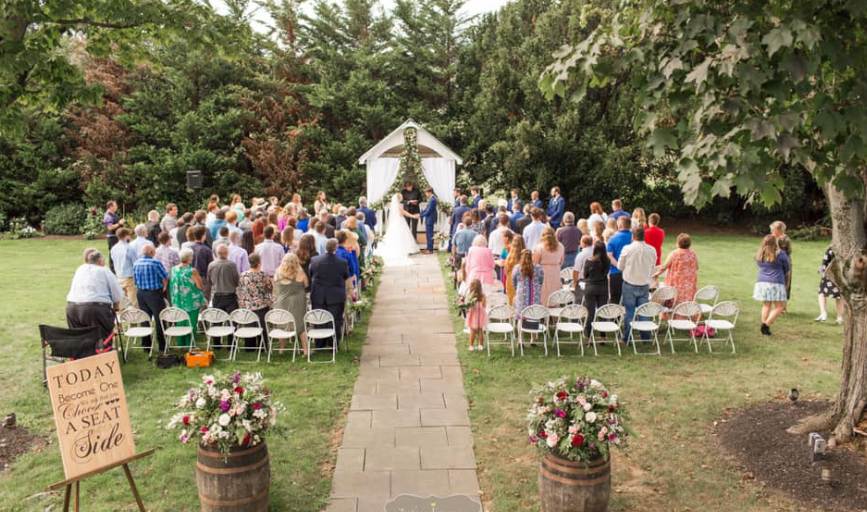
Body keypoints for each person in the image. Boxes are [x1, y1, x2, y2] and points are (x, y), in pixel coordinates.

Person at [66, 249, 123, 340]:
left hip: (72, 308)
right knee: (101, 340)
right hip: (94, 309)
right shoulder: (104, 270)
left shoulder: (80, 269)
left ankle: (85, 353)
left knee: (79, 339)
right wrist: (116, 308)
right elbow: (117, 294)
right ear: (100, 261)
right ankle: (102, 353)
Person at [617, 227, 657, 341]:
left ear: (633, 236)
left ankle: (627, 338)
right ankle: (645, 337)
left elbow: (620, 266)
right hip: (644, 283)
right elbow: (653, 266)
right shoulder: (652, 249)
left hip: (630, 283)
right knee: (643, 311)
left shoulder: (627, 248)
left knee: (629, 312)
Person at [310, 239, 351, 344]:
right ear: (336, 248)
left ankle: (320, 343)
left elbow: (311, 274)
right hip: (335, 296)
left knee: (319, 319)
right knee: (335, 320)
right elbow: (346, 277)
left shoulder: (315, 260)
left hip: (319, 295)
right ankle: (333, 343)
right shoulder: (342, 262)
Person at [133, 245, 168, 353]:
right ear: (152, 252)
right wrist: (164, 288)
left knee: (145, 319)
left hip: (141, 293)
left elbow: (135, 280)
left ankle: (146, 345)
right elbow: (165, 276)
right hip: (154, 294)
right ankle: (162, 345)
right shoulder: (155, 263)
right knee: (160, 319)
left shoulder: (136, 263)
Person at [754, 234, 791, 336]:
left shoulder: (759, 254)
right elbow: (787, 269)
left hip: (761, 282)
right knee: (780, 306)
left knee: (766, 305)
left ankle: (764, 326)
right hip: (776, 282)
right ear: (775, 243)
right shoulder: (781, 254)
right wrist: (786, 283)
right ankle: (766, 324)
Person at [273, 253, 309, 355]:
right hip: (297, 302)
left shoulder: (277, 272)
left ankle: (281, 349)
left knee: (282, 323)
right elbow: (306, 284)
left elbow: (275, 287)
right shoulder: (300, 273)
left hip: (281, 301)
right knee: (300, 325)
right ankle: (306, 351)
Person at [170, 248, 206, 347]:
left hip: (178, 300)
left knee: (180, 321)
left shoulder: (174, 269)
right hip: (191, 301)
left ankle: (181, 343)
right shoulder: (192, 271)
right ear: (189, 258)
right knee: (191, 322)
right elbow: (199, 286)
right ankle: (190, 344)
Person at [654, 233, 698, 307]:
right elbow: (696, 267)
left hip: (676, 283)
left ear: (678, 243)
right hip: (688, 284)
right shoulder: (693, 254)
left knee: (673, 296)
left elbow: (664, 267)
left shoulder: (674, 253)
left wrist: (656, 274)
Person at [237, 253, 273, 345]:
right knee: (262, 326)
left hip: (248, 305)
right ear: (259, 262)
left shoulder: (243, 275)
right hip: (261, 305)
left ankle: (250, 345)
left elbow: (240, 289)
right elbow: (269, 288)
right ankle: (263, 344)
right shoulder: (262, 274)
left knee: (249, 325)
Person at [377, 193, 420, 266]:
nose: (402, 197)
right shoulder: (398, 205)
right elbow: (403, 213)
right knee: (401, 235)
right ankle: (402, 249)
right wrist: (413, 216)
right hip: (400, 221)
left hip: (395, 222)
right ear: (399, 198)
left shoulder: (393, 205)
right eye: (401, 197)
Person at [582, 241, 611, 336]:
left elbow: (585, 275)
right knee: (602, 311)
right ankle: (603, 335)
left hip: (590, 287)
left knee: (590, 312)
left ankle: (588, 333)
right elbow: (606, 273)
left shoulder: (589, 261)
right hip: (603, 288)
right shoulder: (607, 261)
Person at [533, 227, 565, 306]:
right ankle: (554, 310)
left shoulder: (539, 247)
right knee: (554, 290)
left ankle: (544, 310)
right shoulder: (561, 246)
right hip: (556, 271)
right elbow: (562, 261)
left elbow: (535, 263)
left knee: (544, 292)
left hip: (543, 271)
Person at [606, 216, 632, 304]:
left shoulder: (612, 239)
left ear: (619, 225)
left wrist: (619, 266)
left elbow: (609, 256)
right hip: (631, 271)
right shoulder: (634, 237)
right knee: (629, 299)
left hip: (616, 272)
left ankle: (614, 317)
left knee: (614, 299)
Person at [208, 244, 240, 313]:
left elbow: (209, 281)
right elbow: (237, 281)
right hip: (230, 297)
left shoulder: (211, 265)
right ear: (227, 253)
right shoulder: (232, 265)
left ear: (216, 253)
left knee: (218, 320)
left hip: (217, 296)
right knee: (232, 320)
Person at [110, 228, 138, 306]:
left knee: (122, 302)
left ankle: (123, 317)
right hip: (129, 277)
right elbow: (135, 263)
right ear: (126, 236)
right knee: (134, 301)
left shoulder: (114, 248)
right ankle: (135, 317)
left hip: (119, 276)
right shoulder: (129, 248)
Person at [816, 246, 844, 324]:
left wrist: (820, 270)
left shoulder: (831, 249)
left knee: (821, 293)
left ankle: (823, 313)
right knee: (839, 296)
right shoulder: (844, 248)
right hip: (840, 277)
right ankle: (839, 317)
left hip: (829, 276)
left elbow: (825, 262)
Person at [513, 249, 544, 317]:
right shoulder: (538, 268)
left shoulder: (517, 268)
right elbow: (541, 281)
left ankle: (520, 325)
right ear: (532, 256)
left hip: (521, 292)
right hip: (535, 293)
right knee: (534, 311)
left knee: (521, 311)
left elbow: (514, 281)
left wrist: (517, 289)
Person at [771, 220, 792, 307]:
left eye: (773, 229)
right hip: (773, 263)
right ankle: (775, 304)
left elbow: (788, 252)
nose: (771, 231)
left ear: (779, 230)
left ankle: (783, 306)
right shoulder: (771, 238)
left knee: (785, 283)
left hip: (784, 264)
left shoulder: (785, 239)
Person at [465, 278, 487, 352]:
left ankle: (471, 345)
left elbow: (467, 305)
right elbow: (484, 305)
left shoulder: (470, 295)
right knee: (480, 330)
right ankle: (480, 345)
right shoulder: (482, 296)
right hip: (480, 316)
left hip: (473, 315)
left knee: (472, 331)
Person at [190, 226, 213, 297]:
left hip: (191, 277)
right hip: (203, 278)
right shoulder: (206, 250)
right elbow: (210, 266)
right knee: (204, 300)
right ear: (203, 235)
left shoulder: (190, 248)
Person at [571, 235, 594, 304]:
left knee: (579, 301)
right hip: (595, 280)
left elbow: (576, 270)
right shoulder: (596, 252)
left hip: (583, 281)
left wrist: (575, 282)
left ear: (584, 243)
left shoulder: (581, 254)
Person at [502, 236, 525, 304]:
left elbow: (505, 271)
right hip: (521, 281)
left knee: (510, 302)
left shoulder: (509, 257)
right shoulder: (524, 256)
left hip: (510, 281)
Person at [103, 200, 124, 271]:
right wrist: (119, 223)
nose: (117, 207)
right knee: (113, 253)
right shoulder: (108, 216)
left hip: (117, 237)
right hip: (112, 237)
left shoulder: (113, 214)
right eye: (115, 206)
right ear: (110, 207)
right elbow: (110, 227)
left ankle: (117, 268)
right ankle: (112, 270)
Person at [420, 188, 438, 253]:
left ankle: (430, 250)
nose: (426, 194)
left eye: (426, 193)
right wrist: (421, 213)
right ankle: (428, 248)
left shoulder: (433, 199)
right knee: (428, 234)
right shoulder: (431, 199)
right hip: (428, 218)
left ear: (430, 192)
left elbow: (429, 210)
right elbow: (427, 208)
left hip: (430, 219)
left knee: (430, 234)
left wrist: (421, 215)